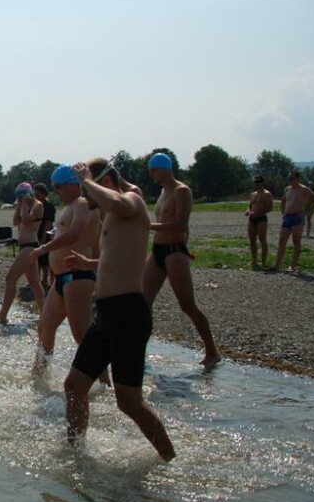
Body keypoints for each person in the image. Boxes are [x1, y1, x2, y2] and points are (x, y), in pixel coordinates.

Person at [60, 159, 176, 462]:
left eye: (96, 187)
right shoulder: (116, 214)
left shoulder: (132, 200)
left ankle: (169, 459)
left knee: (128, 402)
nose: (91, 198)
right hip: (105, 313)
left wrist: (86, 181)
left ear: (108, 179)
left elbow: (118, 200)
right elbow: (120, 256)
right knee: (74, 386)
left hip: (127, 313)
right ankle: (76, 452)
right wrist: (90, 264)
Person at [141, 153, 220, 370]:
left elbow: (180, 224)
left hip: (175, 251)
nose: (151, 175)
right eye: (150, 170)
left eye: (154, 170)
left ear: (166, 169)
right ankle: (139, 347)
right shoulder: (162, 192)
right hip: (157, 250)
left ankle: (212, 351)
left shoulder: (181, 191)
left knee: (187, 305)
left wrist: (148, 226)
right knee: (143, 302)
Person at [30, 166, 100, 378]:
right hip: (62, 278)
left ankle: (104, 381)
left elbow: (75, 234)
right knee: (44, 327)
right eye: (54, 187)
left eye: (59, 186)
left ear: (73, 184)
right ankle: (38, 377)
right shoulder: (71, 205)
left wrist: (43, 249)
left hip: (77, 276)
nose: (56, 191)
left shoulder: (82, 203)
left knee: (81, 335)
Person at [0, 182, 46, 324]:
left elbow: (25, 220)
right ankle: (46, 312)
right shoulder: (23, 205)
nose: (19, 200)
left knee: (10, 279)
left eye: (21, 197)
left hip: (30, 247)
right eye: (18, 198)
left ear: (28, 194)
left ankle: (3, 315)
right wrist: (20, 206)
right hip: (25, 247)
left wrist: (25, 205)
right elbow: (15, 222)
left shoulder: (38, 205)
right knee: (35, 283)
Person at [270, 171, 314, 272]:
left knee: (296, 241)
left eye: (292, 178)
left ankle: (292, 266)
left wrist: (306, 212)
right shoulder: (287, 189)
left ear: (298, 179)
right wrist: (282, 212)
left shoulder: (304, 189)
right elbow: (283, 200)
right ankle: (276, 265)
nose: (290, 180)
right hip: (287, 217)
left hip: (297, 217)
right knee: (281, 241)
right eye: (289, 178)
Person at [245, 175, 274, 269]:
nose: (257, 184)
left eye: (258, 182)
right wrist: (249, 211)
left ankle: (263, 261)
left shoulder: (267, 194)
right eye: (255, 182)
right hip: (252, 218)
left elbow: (269, 207)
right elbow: (250, 205)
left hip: (261, 218)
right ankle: (254, 261)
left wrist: (258, 212)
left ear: (262, 183)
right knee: (252, 240)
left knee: (262, 239)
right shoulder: (253, 194)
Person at [33, 183, 56, 292]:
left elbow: (48, 223)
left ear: (43, 194)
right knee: (37, 258)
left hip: (46, 233)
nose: (35, 196)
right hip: (36, 232)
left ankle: (44, 280)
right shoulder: (36, 205)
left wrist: (43, 238)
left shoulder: (49, 206)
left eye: (37, 193)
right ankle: (37, 279)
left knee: (44, 260)